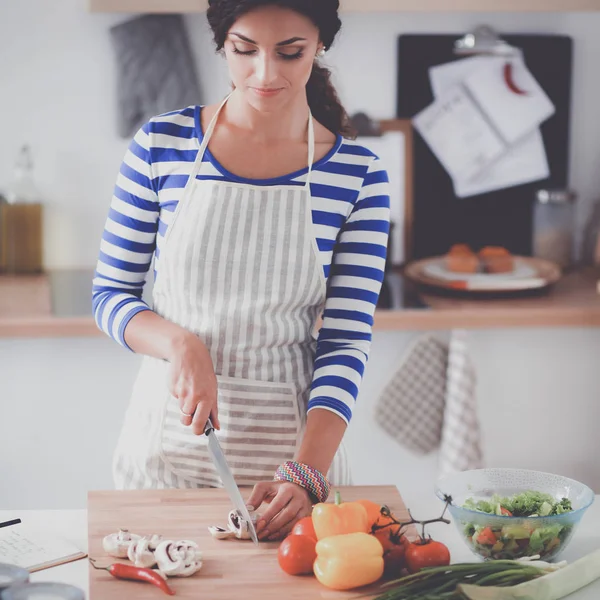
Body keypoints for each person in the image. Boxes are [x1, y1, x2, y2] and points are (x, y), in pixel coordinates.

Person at [92, 0, 390, 542]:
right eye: (244, 50)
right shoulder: (162, 144)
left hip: (292, 467)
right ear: (222, 44)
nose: (265, 73)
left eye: (290, 52)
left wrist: (307, 473)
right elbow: (110, 295)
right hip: (163, 458)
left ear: (320, 44)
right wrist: (180, 343)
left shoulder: (358, 176)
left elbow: (345, 342)